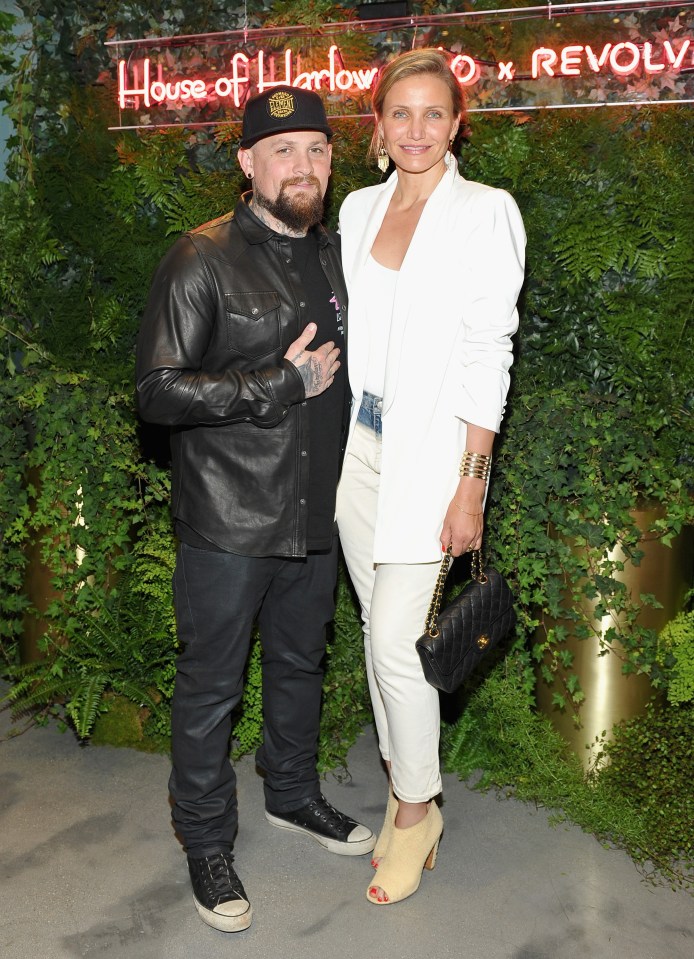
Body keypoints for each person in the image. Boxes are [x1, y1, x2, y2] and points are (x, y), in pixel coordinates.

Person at [136, 85, 375, 934]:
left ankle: (293, 795)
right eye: (282, 150)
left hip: (318, 512)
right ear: (246, 162)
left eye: (315, 149)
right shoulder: (198, 258)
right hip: (229, 519)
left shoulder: (341, 256)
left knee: (300, 667)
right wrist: (281, 381)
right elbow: (157, 391)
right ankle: (204, 840)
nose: (302, 165)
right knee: (210, 690)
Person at [336, 49, 526, 906]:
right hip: (358, 453)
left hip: (435, 457)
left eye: (433, 113)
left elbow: (491, 351)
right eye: (400, 113)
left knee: (392, 648)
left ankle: (417, 809)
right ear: (379, 126)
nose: (416, 129)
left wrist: (472, 483)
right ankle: (404, 782)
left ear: (458, 124)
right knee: (380, 634)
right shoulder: (355, 209)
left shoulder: (486, 214)